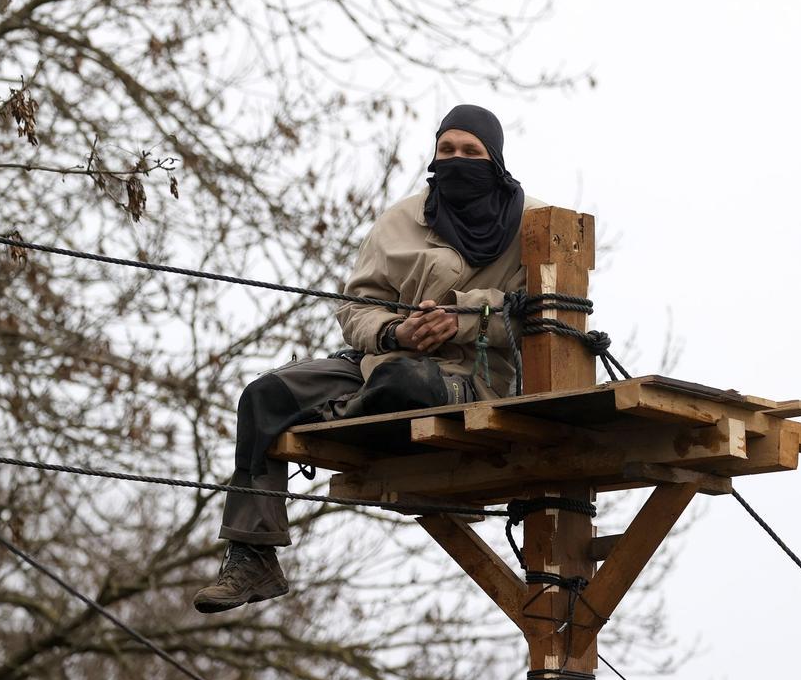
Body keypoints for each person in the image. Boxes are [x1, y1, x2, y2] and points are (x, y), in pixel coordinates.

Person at [193, 104, 545, 614]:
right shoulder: (401, 220)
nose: (457, 159)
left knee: (406, 384)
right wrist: (393, 329)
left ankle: (337, 417)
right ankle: (253, 555)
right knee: (265, 395)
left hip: (467, 378)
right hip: (375, 365)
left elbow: (546, 312)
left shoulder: (534, 224)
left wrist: (461, 317)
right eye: (447, 150)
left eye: (471, 152)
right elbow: (356, 305)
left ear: (496, 160)